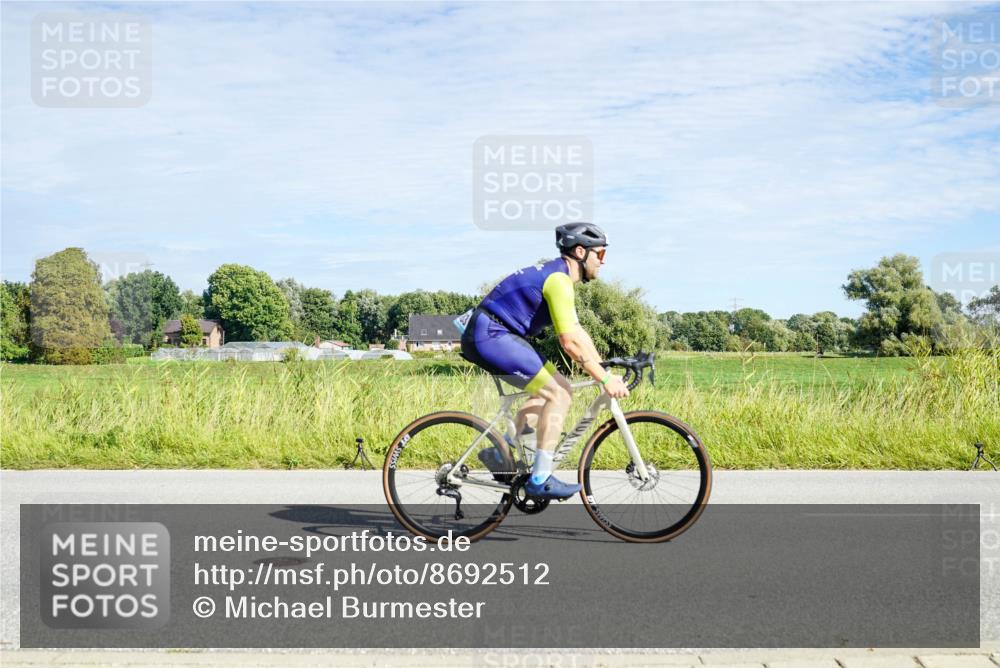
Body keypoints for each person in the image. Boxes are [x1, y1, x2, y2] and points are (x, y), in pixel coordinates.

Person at [459, 222, 629, 500]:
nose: (603, 261)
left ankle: (499, 449)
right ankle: (540, 478)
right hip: (490, 334)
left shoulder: (559, 277)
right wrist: (605, 379)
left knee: (552, 391)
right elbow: (569, 342)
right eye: (600, 254)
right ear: (580, 252)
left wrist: (606, 367)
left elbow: (578, 333)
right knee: (559, 392)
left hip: (492, 332)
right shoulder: (559, 281)